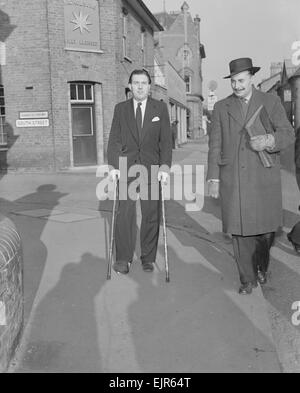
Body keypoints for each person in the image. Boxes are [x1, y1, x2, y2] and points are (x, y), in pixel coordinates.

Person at [207, 57, 295, 294]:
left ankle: (261, 266)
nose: (236, 86)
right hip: (233, 179)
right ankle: (247, 279)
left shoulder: (270, 101)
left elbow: (288, 133)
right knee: (239, 232)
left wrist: (269, 140)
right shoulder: (221, 107)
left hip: (263, 178)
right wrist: (213, 178)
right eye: (233, 81)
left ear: (252, 78)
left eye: (241, 80)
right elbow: (215, 145)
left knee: (265, 233)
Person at [107, 69, 172, 274]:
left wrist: (164, 166)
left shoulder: (160, 109)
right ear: (130, 86)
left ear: (150, 86)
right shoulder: (121, 109)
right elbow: (114, 140)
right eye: (136, 83)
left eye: (144, 82)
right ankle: (123, 258)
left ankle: (147, 257)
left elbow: (166, 141)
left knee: (150, 215)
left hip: (152, 168)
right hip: (127, 167)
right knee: (124, 214)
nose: (140, 86)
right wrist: (114, 166)